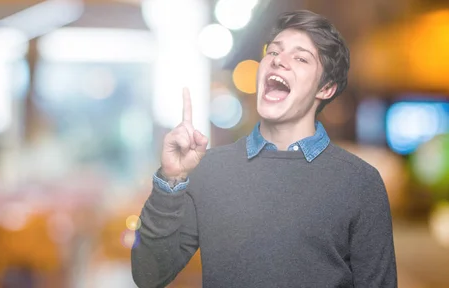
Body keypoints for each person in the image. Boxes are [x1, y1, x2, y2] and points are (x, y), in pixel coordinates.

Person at [131, 10, 397, 288]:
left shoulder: (360, 182)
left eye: (301, 58)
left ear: (326, 88)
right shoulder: (210, 170)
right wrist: (170, 179)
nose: (278, 61)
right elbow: (148, 275)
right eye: (273, 53)